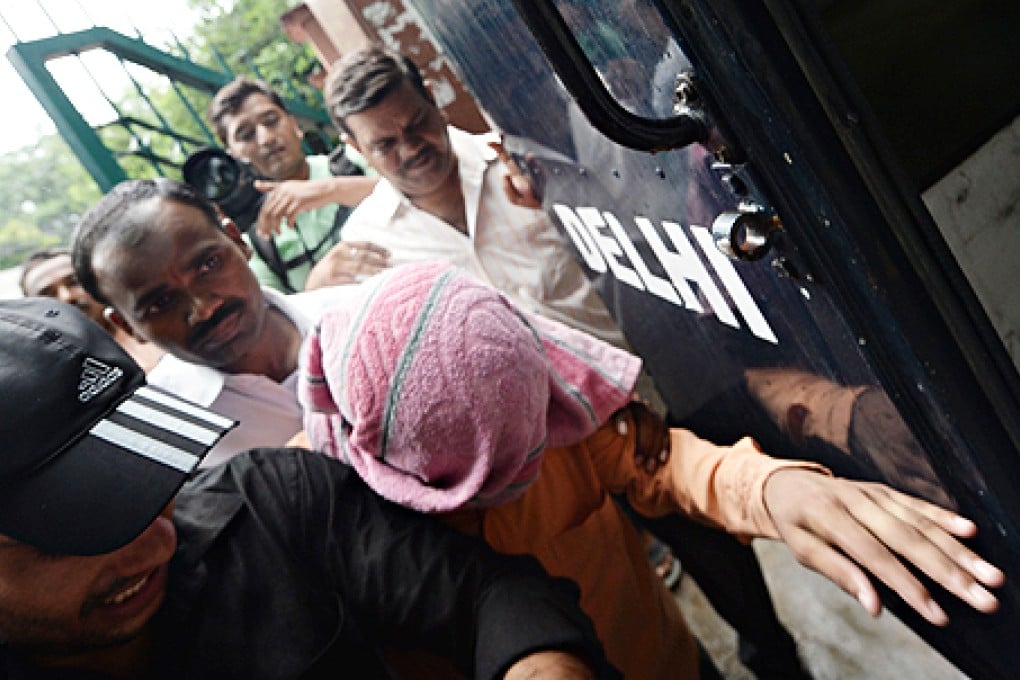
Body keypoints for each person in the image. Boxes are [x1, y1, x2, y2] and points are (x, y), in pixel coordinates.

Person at [322, 44, 801, 677]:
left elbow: (632, 261)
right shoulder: (367, 250)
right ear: (353, 148)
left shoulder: (524, 160)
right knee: (614, 602)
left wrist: (645, 396)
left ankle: (774, 656)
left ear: (434, 102)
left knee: (718, 555)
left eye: (418, 124)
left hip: (636, 416)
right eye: (385, 144)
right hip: (535, 467)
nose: (412, 148)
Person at [296, 262, 1004, 679]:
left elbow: (666, 467)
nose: (535, 469)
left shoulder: (553, 410)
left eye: (534, 444)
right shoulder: (317, 525)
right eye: (491, 482)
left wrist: (778, 487)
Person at [0, 296, 617, 679]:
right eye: (82, 527)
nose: (157, 542)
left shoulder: (272, 500)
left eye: (145, 481)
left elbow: (483, 593)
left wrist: (543, 665)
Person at [69, 178, 368, 468]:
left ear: (238, 240)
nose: (204, 309)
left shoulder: (362, 313)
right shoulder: (160, 441)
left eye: (208, 265)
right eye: (161, 304)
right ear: (127, 326)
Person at [208, 76, 387, 292]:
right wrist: (315, 285)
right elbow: (272, 309)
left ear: (294, 124)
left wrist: (330, 190)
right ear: (234, 156)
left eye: (271, 120)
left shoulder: (356, 159)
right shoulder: (258, 247)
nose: (266, 138)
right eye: (246, 135)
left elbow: (413, 192)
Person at [19, 246, 163, 372]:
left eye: (73, 282)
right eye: (48, 294)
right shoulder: (56, 378)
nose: (66, 297)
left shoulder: (158, 323)